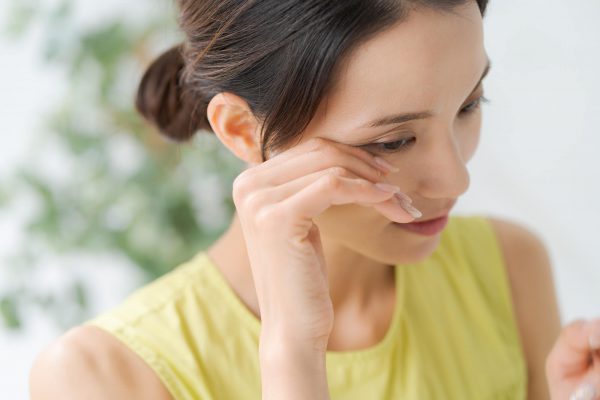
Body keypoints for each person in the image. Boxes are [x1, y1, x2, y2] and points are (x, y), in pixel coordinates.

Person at [28, 0, 600, 399]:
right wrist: (293, 355)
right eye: (391, 141)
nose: (454, 181)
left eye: (469, 105)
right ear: (243, 131)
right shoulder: (100, 376)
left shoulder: (508, 266)